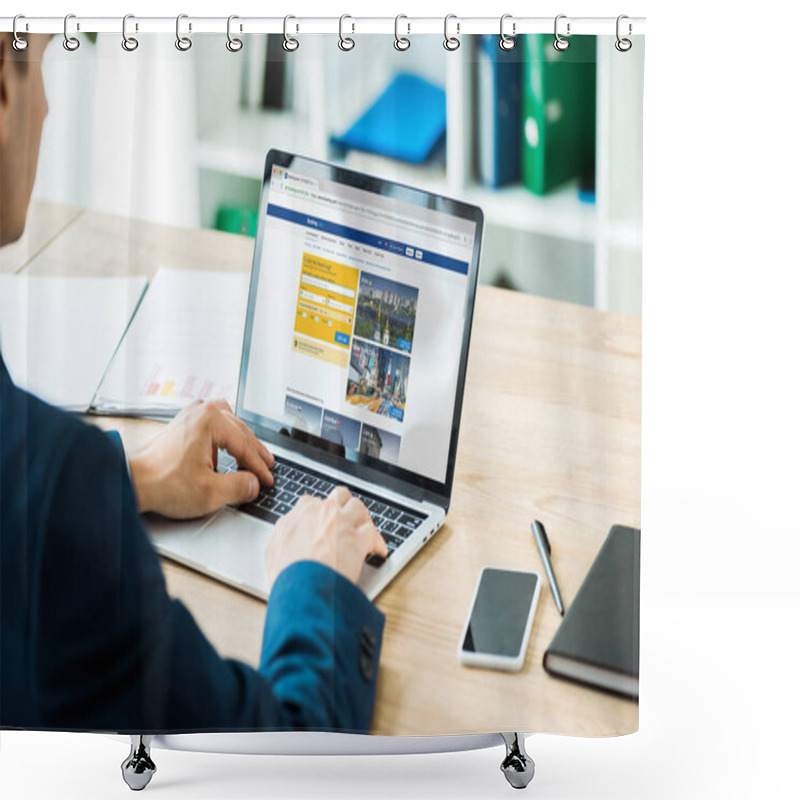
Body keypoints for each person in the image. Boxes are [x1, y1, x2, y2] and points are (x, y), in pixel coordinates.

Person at [0, 34, 388, 734]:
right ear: (3, 94)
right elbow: (278, 761)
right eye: (45, 69)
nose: (50, 104)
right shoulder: (54, 504)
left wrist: (132, 474)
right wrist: (315, 584)